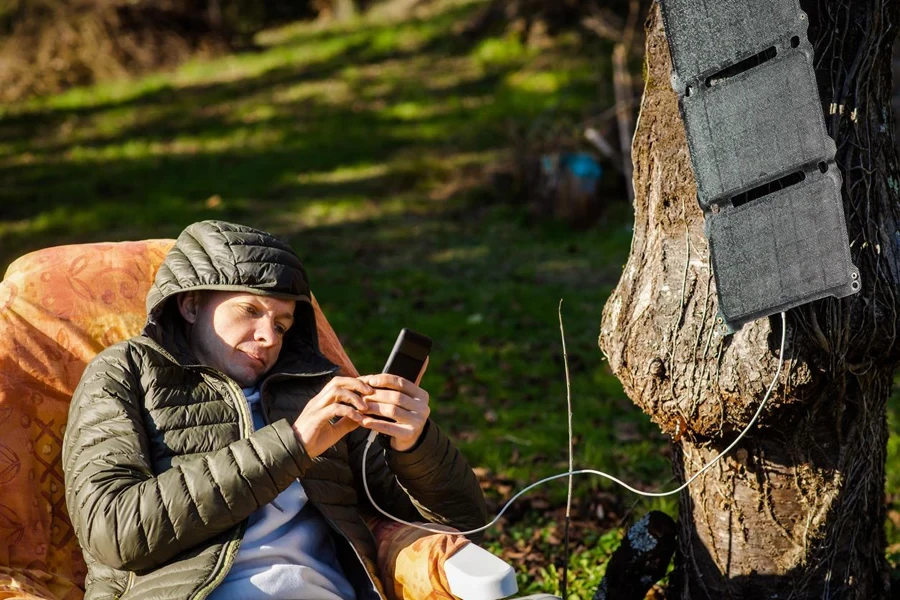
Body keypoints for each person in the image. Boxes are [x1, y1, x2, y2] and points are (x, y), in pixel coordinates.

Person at [62, 220, 487, 600]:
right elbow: (112, 533)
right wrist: (294, 444)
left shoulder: (318, 390)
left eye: (282, 324)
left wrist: (414, 446)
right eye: (250, 310)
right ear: (191, 305)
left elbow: (462, 524)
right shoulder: (127, 370)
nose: (268, 336)